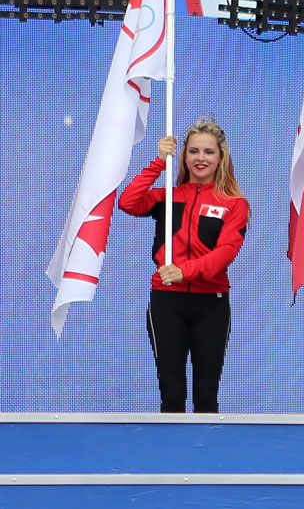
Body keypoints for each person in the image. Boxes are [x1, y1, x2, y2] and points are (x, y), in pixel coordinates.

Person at [119, 116, 249, 413]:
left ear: (221, 157)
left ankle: (206, 457)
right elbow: (128, 202)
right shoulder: (168, 195)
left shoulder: (234, 203)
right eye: (193, 151)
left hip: (211, 303)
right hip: (167, 301)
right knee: (172, 392)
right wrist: (158, 162)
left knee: (206, 394)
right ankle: (170, 458)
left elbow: (226, 252)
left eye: (208, 152)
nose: (200, 158)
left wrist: (184, 270)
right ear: (184, 156)